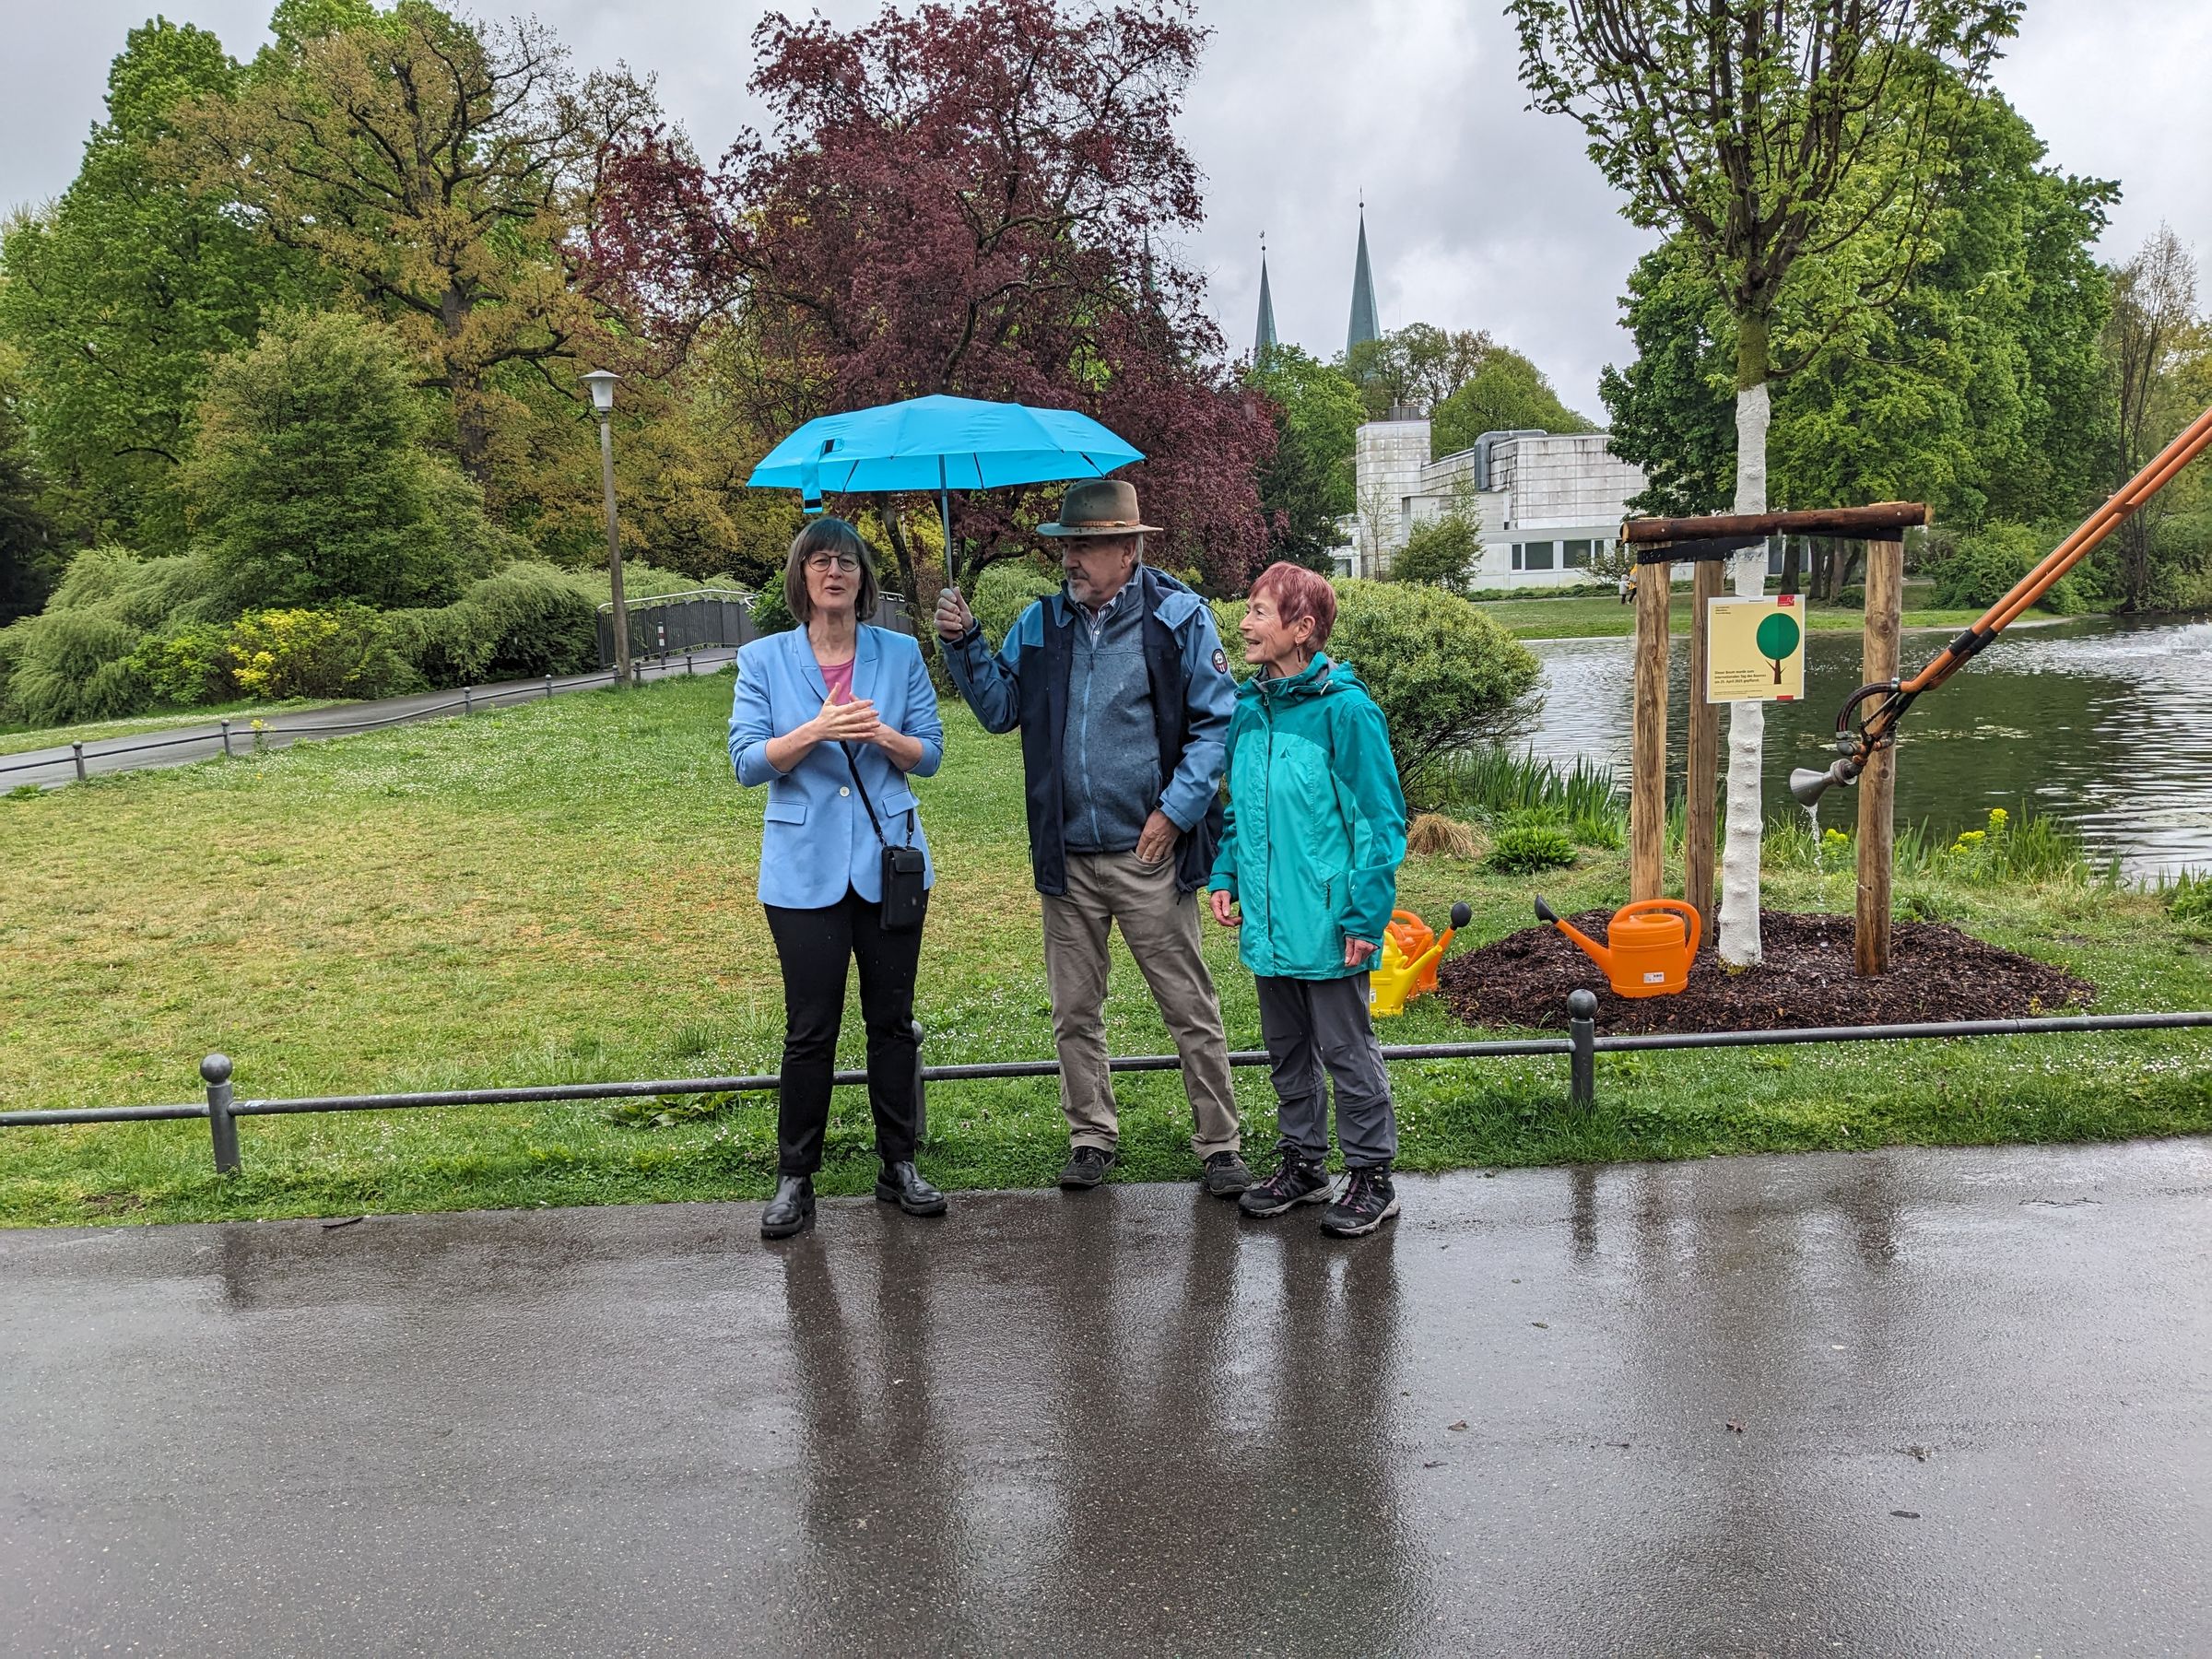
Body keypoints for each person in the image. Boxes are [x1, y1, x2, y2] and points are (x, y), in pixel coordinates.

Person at [933, 479, 1250, 1197]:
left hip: (1151, 856)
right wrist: (963, 644)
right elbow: (999, 708)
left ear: (1128, 549)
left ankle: (1220, 1143)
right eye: (1066, 544)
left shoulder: (1178, 619)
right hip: (1068, 855)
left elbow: (1217, 724)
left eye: (1083, 545)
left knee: (1188, 1006)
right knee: (1075, 1010)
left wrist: (1174, 813)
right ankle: (1091, 1136)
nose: (1070, 558)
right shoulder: (1041, 622)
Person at [729, 517, 947, 1240]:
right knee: (810, 1029)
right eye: (821, 561)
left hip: (889, 867)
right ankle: (796, 1177)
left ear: (863, 578)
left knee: (891, 1023)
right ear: (801, 576)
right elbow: (747, 763)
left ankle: (900, 1164)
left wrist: (880, 734)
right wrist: (815, 730)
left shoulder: (900, 651)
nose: (835, 573)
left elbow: (931, 754)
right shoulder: (762, 660)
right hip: (802, 873)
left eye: (847, 562)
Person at [1207, 562, 1409, 1238]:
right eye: (1249, 610)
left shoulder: (1347, 713)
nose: (1244, 623)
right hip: (1268, 921)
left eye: (1260, 612)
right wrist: (1226, 873)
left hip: (1330, 921)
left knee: (1346, 1051)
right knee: (1286, 1050)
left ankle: (1373, 1177)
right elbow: (1238, 813)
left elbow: (1381, 826)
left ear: (1303, 629)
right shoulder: (1248, 711)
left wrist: (1364, 915)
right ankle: (1303, 1164)